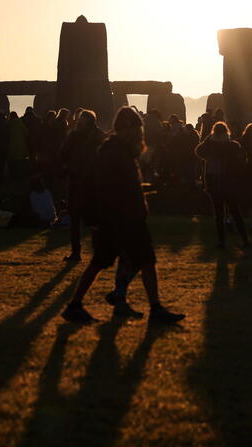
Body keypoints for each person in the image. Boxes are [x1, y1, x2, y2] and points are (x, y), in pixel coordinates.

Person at [62, 107, 185, 324]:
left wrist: (148, 187)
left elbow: (127, 184)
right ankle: (153, 309)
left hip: (121, 216)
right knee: (138, 260)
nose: (140, 132)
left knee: (114, 261)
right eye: (137, 127)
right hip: (121, 217)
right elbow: (109, 186)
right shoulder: (114, 152)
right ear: (125, 128)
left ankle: (110, 302)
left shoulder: (120, 151)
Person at [195, 121, 251, 248]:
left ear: (214, 132)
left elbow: (198, 150)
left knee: (219, 214)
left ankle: (221, 241)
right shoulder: (233, 145)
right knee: (236, 212)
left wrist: (208, 138)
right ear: (227, 132)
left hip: (214, 183)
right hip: (230, 183)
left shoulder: (209, 147)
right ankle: (244, 239)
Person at [59, 109, 105, 261]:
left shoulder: (74, 135)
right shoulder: (99, 136)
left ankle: (77, 252)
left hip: (80, 179)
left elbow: (63, 155)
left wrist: (63, 167)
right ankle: (95, 251)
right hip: (90, 180)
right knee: (91, 218)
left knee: (77, 217)